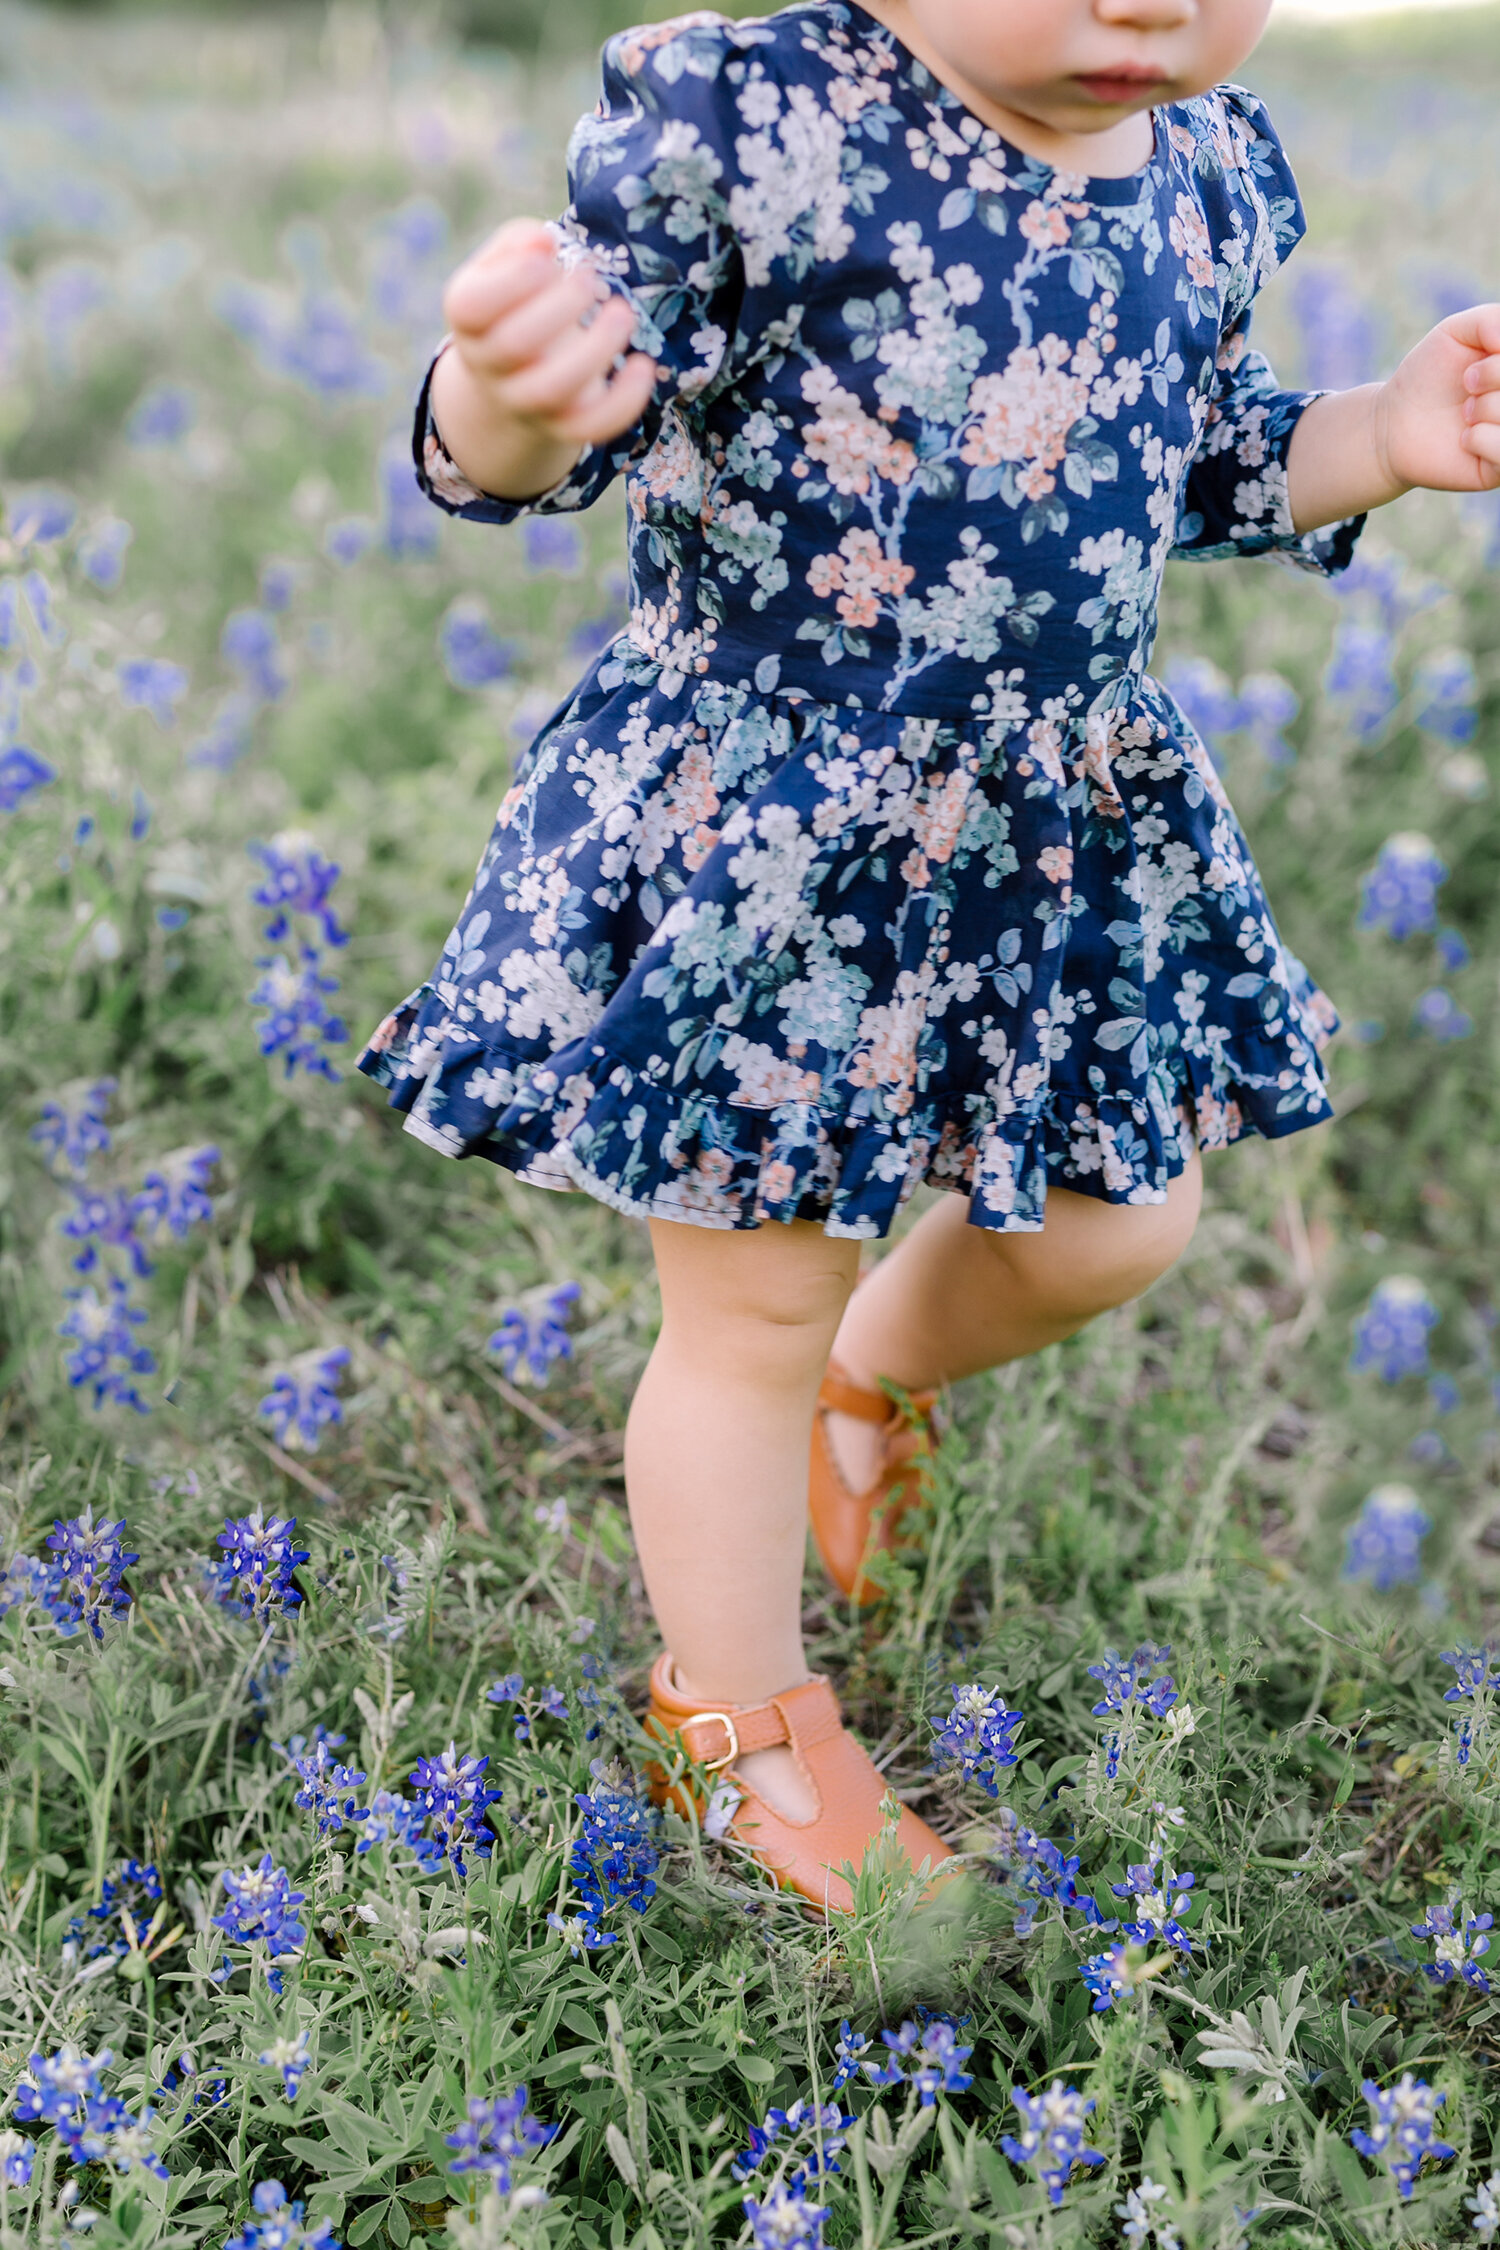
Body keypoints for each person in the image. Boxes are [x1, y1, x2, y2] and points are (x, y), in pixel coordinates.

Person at [358, 0, 1500, 1912]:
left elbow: (1194, 457)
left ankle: (869, 1389)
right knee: (752, 1308)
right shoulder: (764, 119)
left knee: (1112, 1227)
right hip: (778, 839)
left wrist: (1373, 432)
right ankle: (734, 1714)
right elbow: (512, 457)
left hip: (1050, 821)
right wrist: (505, 387)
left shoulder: (1203, 169)